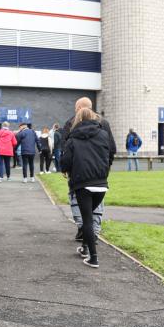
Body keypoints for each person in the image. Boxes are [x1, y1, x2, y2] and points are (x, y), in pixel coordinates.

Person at [60, 107, 112, 268]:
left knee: (87, 221)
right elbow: (110, 155)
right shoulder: (103, 135)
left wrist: (65, 170)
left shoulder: (72, 138)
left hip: (82, 184)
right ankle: (85, 248)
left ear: (78, 120)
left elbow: (66, 161)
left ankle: (93, 257)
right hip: (101, 184)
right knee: (89, 217)